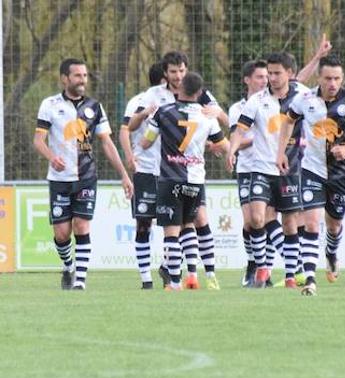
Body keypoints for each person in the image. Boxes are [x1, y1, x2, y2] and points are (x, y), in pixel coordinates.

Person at [278, 55, 345, 295]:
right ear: (319, 78)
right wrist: (280, 152)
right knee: (311, 223)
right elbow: (287, 121)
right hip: (311, 169)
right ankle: (310, 278)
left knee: (334, 226)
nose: (333, 83)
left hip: (340, 174)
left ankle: (331, 253)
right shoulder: (305, 99)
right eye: (328, 78)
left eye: (337, 78)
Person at [33, 58, 133, 290]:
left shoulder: (95, 107)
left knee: (82, 225)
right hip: (59, 179)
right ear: (65, 78)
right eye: (77, 76)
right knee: (61, 233)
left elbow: (107, 143)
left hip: (86, 177)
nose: (82, 80)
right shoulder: (50, 104)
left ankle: (80, 281)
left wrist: (124, 175)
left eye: (85, 76)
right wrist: (52, 157)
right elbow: (38, 141)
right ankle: (68, 266)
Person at [128, 51, 225, 290]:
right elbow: (130, 125)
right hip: (167, 171)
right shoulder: (153, 96)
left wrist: (216, 115)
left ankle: (184, 277)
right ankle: (181, 275)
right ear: (165, 73)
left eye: (182, 71)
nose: (178, 76)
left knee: (181, 225)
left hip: (172, 173)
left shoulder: (190, 102)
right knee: (164, 223)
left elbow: (226, 120)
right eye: (174, 71)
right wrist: (143, 114)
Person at [227, 52, 309, 289]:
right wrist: (232, 149)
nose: (271, 78)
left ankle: (292, 274)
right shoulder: (257, 100)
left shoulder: (303, 97)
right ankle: (263, 266)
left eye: (276, 73)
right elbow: (241, 129)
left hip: (290, 169)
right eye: (269, 74)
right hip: (260, 169)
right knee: (257, 218)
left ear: (289, 74)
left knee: (290, 224)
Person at [119, 61, 166, 289]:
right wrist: (130, 157)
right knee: (144, 223)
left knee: (173, 222)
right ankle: (146, 279)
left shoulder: (178, 101)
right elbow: (124, 130)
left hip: (171, 170)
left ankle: (167, 265)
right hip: (145, 170)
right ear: (164, 80)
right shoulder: (138, 101)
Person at [228, 60, 269, 287]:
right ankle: (253, 263)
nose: (264, 81)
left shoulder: (274, 103)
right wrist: (240, 146)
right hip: (247, 170)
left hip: (270, 169)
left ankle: (264, 268)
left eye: (266, 77)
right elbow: (237, 139)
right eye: (259, 77)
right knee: (250, 222)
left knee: (265, 220)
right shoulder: (238, 108)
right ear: (247, 80)